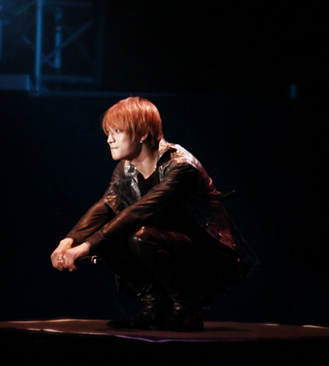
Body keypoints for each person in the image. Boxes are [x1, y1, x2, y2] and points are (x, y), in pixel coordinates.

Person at [50, 96, 255, 332]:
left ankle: (188, 309)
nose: (109, 139)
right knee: (109, 238)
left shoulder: (181, 166)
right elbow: (105, 206)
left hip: (209, 252)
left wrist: (85, 247)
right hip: (169, 241)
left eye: (117, 131)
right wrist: (68, 241)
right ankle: (154, 305)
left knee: (140, 236)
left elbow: (141, 211)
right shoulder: (126, 168)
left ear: (142, 134)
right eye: (109, 132)